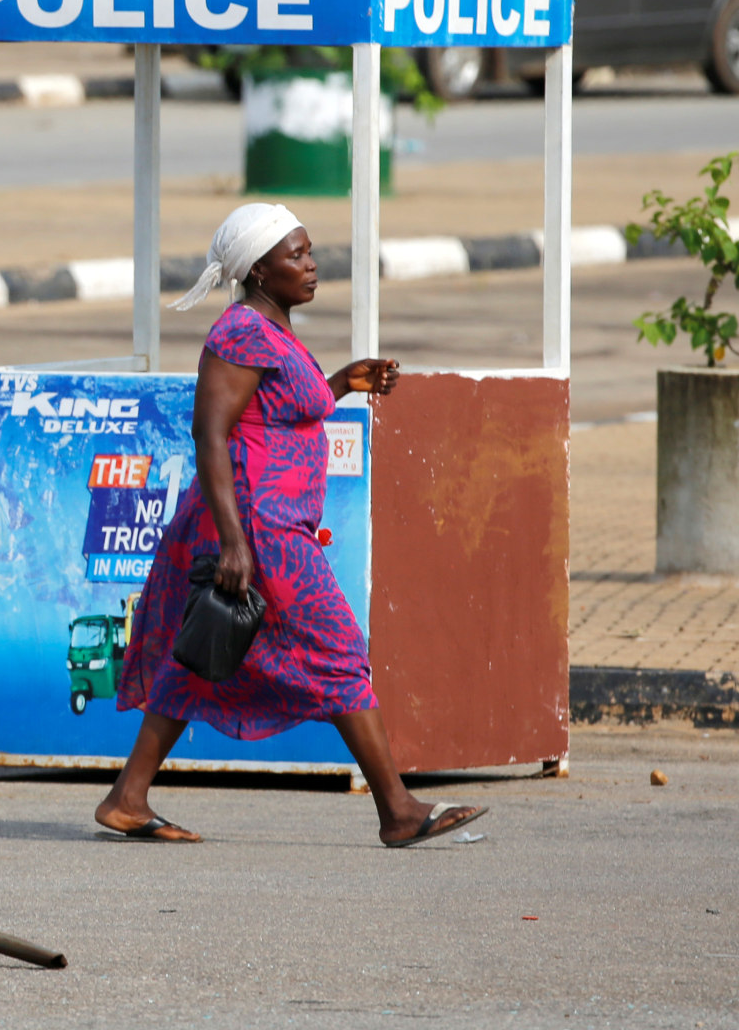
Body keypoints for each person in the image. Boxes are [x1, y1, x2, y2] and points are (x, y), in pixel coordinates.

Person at [94, 203, 488, 848]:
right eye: (296, 256)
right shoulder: (238, 333)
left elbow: (280, 410)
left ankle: (127, 797)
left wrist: (341, 383)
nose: (311, 265)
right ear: (257, 270)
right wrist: (232, 541)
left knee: (204, 654)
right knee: (339, 651)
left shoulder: (270, 328)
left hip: (274, 520)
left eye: (309, 252)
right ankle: (399, 811)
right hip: (260, 525)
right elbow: (211, 435)